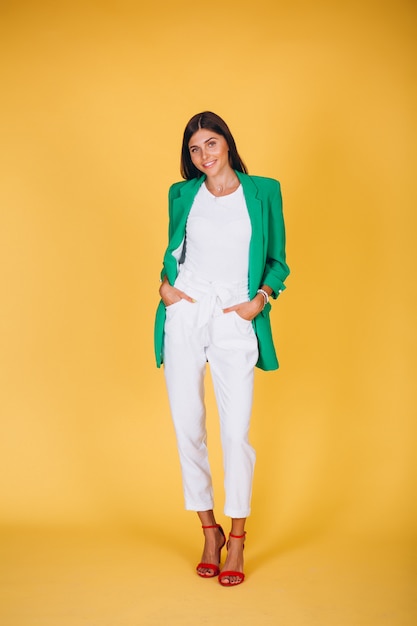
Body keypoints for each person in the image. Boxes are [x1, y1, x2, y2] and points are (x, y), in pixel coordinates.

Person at [154, 111, 289, 586]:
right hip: (188, 311)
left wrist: (259, 301)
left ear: (227, 144)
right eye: (195, 149)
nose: (204, 155)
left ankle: (237, 537)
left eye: (211, 144)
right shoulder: (182, 194)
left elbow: (278, 262)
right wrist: (165, 290)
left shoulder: (263, 191)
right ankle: (208, 531)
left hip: (235, 314)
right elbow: (174, 251)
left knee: (235, 433)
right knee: (188, 426)